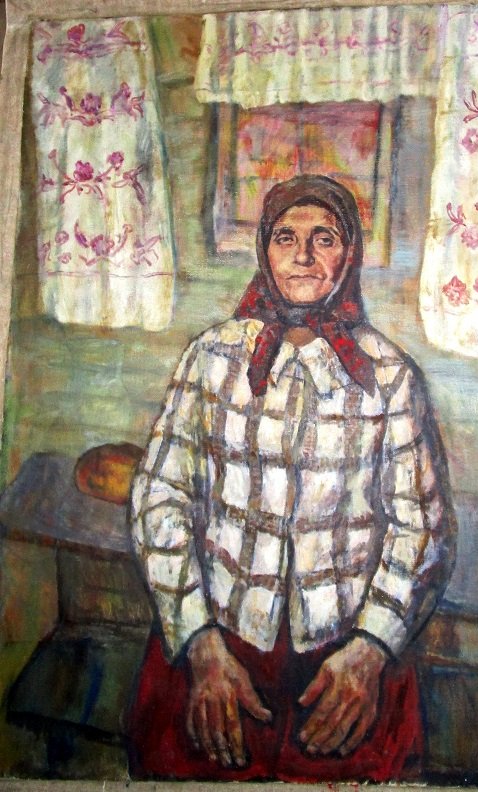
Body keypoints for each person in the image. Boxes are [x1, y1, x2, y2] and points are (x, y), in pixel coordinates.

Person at [128, 174, 457, 782]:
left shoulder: (390, 376)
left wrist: (370, 650)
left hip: (345, 654)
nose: (303, 255)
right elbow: (159, 498)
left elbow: (423, 529)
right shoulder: (211, 358)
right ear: (264, 250)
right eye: (286, 237)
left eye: (323, 238)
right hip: (221, 641)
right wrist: (200, 643)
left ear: (349, 253)